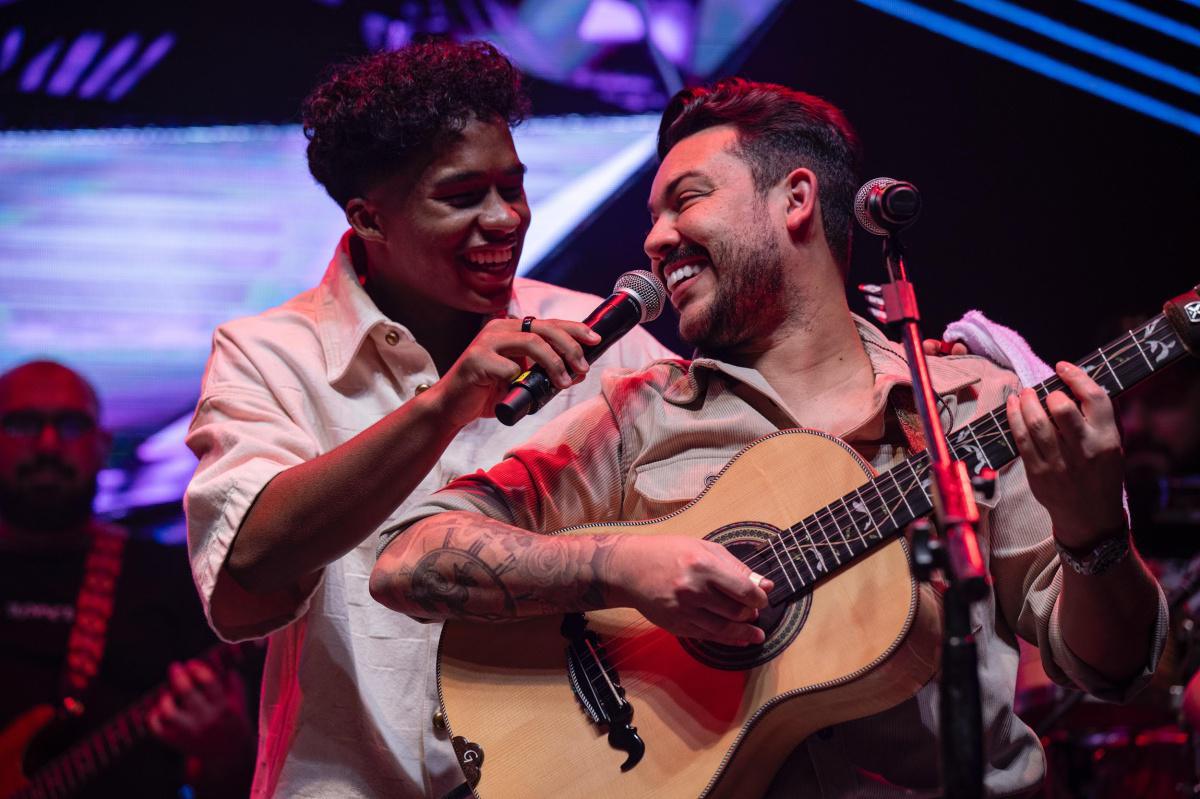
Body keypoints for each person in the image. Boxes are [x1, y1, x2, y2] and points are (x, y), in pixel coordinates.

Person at [370, 78, 1168, 796]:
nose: (654, 239)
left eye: (684, 200)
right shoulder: (642, 413)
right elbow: (407, 555)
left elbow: (1115, 666)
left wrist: (1095, 532)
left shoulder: (974, 404)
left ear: (795, 200)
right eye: (651, 217)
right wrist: (619, 564)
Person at [182, 40, 675, 798]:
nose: (504, 217)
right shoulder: (269, 354)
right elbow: (249, 568)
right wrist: (443, 407)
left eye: (513, 186)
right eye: (463, 195)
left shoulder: (605, 344)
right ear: (368, 219)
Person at [0, 360, 254, 798]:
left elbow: (230, 783)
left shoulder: (176, 579)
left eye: (70, 425)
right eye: (23, 425)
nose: (47, 444)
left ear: (102, 445)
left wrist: (223, 747)